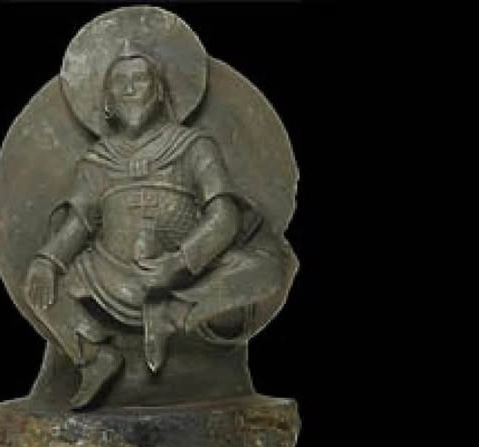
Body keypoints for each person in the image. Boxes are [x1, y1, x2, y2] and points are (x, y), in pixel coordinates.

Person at [24, 41, 289, 409]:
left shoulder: (194, 146)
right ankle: (94, 356)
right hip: (108, 273)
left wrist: (178, 263)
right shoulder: (97, 160)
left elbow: (224, 217)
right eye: (120, 83)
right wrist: (47, 261)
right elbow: (79, 222)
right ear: (107, 102)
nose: (130, 89)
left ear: (161, 91)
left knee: (270, 269)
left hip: (189, 275)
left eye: (140, 79)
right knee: (40, 287)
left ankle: (172, 314)